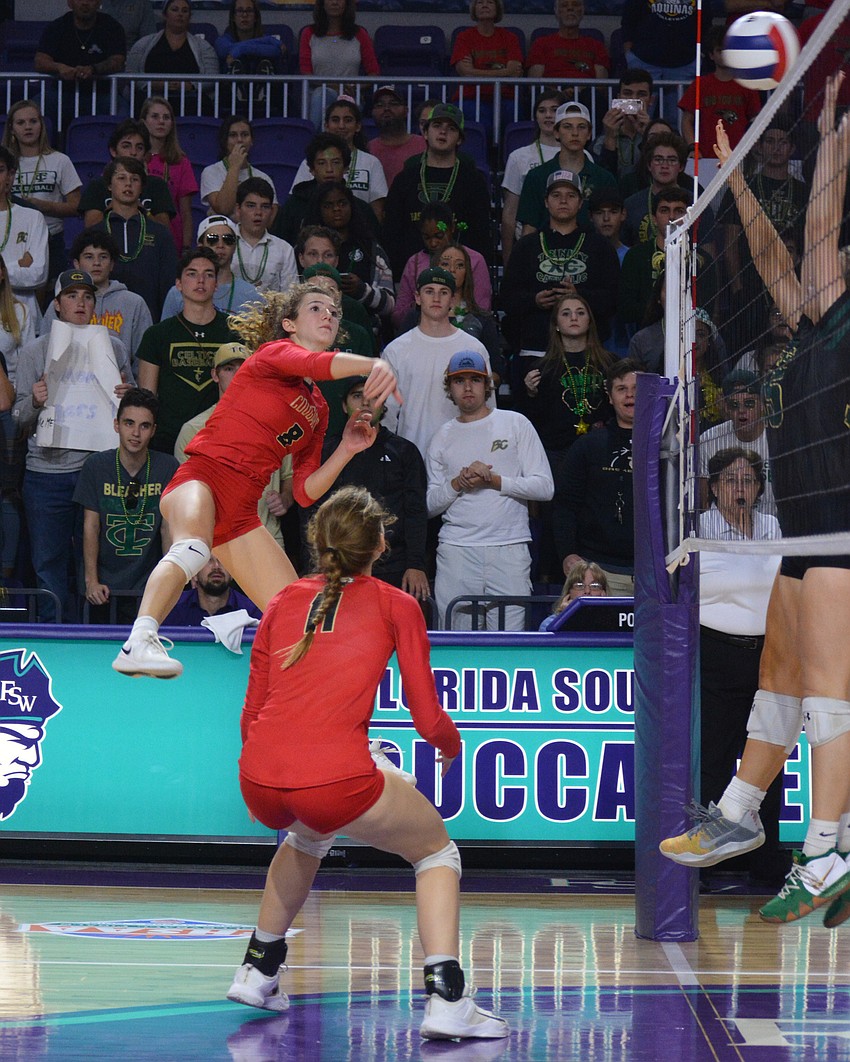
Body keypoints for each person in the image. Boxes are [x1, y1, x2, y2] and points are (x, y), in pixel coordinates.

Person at [660, 87, 850, 925]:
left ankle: (825, 849)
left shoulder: (839, 321)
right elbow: (784, 255)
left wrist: (829, 135)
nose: (804, 275)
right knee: (778, 675)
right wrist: (735, 176)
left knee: (826, 691)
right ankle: (740, 812)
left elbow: (814, 235)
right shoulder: (809, 327)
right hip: (809, 528)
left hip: (846, 527)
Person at [227, 484, 507, 1041]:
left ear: (318, 542)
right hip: (330, 777)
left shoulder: (282, 600)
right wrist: (451, 747)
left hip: (259, 776)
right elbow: (425, 714)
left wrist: (264, 777)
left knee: (307, 836)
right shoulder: (394, 603)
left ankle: (259, 968)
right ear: (380, 543)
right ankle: (448, 998)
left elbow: (252, 708)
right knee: (436, 851)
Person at [113, 278, 400, 678]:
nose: (329, 316)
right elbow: (318, 364)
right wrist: (374, 363)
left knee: (298, 617)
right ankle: (139, 642)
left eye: (334, 313)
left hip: (244, 512)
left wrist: (347, 449)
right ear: (289, 325)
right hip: (203, 478)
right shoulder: (272, 356)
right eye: (316, 308)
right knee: (193, 547)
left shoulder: (317, 406)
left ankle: (326, 725)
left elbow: (303, 492)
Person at [14, 269, 134, 623]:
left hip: (97, 470)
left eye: (87, 296)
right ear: (56, 305)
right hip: (46, 473)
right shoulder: (36, 350)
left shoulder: (114, 347)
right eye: (71, 296)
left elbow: (135, 413)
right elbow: (18, 418)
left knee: (95, 563)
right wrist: (34, 402)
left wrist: (129, 399)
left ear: (95, 304)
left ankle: (93, 634)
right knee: (48, 561)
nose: (80, 303)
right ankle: (54, 636)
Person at [696, 447, 787, 887]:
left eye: (747, 481)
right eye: (730, 480)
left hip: (768, 656)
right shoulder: (698, 530)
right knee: (713, 762)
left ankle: (767, 864)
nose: (739, 488)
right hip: (714, 655)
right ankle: (707, 864)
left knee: (768, 759)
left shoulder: (772, 528)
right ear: (713, 488)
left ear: (758, 488)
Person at [426, 351, 553, 630]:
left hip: (509, 547)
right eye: (459, 381)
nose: (468, 387)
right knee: (457, 645)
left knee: (510, 645)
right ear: (450, 388)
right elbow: (430, 505)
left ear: (487, 385)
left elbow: (545, 487)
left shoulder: (516, 423)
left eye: (475, 380)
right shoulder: (441, 436)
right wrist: (458, 483)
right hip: (456, 550)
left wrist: (495, 481)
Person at [314, 376, 429, 599]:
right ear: (344, 405)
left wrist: (416, 564)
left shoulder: (404, 452)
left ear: (384, 404)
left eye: (374, 396)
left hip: (394, 567)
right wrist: (317, 564)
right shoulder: (326, 452)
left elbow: (415, 512)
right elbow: (312, 512)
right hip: (338, 565)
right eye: (358, 396)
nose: (366, 402)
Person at [174, 341, 293, 552]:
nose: (237, 375)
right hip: (215, 543)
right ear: (214, 375)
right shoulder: (193, 429)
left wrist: (285, 499)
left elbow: (290, 475)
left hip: (266, 537)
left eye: (244, 368)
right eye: (229, 369)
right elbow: (182, 496)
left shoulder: (275, 424)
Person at [74, 387, 178, 624]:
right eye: (129, 423)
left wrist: (169, 582)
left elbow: (167, 529)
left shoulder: (167, 466)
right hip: (104, 586)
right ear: (116, 425)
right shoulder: (96, 465)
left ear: (153, 431)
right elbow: (91, 527)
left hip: (148, 585)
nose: (136, 433)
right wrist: (91, 581)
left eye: (144, 426)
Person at [502, 169, 620, 359]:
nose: (563, 201)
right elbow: (507, 298)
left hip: (587, 351)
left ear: (581, 203)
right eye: (556, 195)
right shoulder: (526, 246)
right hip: (535, 349)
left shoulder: (600, 247)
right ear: (546, 202)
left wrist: (579, 296)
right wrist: (535, 300)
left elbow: (613, 300)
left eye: (570, 195)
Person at [137, 247, 239, 455]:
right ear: (178, 284)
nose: (200, 281)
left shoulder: (236, 332)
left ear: (216, 285)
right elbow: (147, 398)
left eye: (208, 275)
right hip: (166, 442)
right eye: (192, 274)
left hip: (221, 440)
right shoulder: (157, 335)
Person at [382, 267, 492, 460]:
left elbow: (487, 409)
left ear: (452, 299)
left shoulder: (473, 348)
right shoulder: (396, 350)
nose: (436, 298)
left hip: (463, 456)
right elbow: (386, 414)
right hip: (411, 458)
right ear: (417, 297)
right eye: (429, 291)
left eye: (443, 292)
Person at [552, 358, 638, 596]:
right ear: (610, 397)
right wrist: (568, 553)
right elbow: (564, 505)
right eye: (622, 389)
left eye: (637, 389)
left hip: (653, 575)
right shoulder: (588, 445)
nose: (630, 396)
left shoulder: (667, 447)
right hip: (598, 576)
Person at [382, 104, 493, 281]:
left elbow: (480, 234)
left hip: (460, 275)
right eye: (437, 126)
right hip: (412, 272)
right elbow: (392, 231)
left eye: (451, 128)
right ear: (425, 133)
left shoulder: (473, 180)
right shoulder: (405, 178)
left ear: (459, 139)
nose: (443, 132)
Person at [42, 229, 153, 371]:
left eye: (103, 257)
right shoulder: (60, 303)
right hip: (67, 382)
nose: (96, 263)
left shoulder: (134, 303)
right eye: (89, 257)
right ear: (76, 264)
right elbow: (46, 349)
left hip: (120, 384)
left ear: (112, 264)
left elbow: (143, 357)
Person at [2, 100, 82, 286]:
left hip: (51, 240)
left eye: (33, 121)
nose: (28, 127)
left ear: (41, 125)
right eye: (21, 123)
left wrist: (43, 207)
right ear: (12, 129)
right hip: (11, 240)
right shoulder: (4, 165)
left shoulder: (60, 161)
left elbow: (77, 206)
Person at [91, 157, 178, 321]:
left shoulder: (160, 234)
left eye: (135, 179)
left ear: (142, 187)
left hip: (151, 320)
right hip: (103, 322)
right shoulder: (95, 234)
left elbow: (169, 286)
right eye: (121, 178)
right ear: (109, 185)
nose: (128, 184)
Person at [516, 102, 618, 237]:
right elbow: (529, 230)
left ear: (589, 134)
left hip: (591, 253)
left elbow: (611, 230)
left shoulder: (604, 178)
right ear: (556, 133)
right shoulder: (537, 176)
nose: (575, 133)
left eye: (581, 127)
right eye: (567, 127)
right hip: (546, 253)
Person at [303, 181, 395, 329]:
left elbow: (390, 305)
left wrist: (362, 290)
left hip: (365, 330)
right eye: (328, 205)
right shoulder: (304, 249)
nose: (336, 209)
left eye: (342, 203)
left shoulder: (371, 249)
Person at [678, 26, 761, 184]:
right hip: (706, 157)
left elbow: (756, 121)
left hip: (740, 157)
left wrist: (753, 149)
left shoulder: (747, 84)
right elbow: (687, 119)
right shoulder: (700, 84)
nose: (725, 54)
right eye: (720, 50)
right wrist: (692, 148)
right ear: (711, 55)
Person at [392, 203, 491, 332]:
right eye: (426, 237)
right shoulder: (414, 263)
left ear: (452, 228)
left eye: (439, 236)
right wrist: (420, 302)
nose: (433, 243)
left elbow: (481, 309)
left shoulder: (475, 260)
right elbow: (398, 317)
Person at [290, 97, 388, 225]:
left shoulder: (371, 162)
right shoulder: (309, 162)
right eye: (335, 120)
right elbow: (299, 200)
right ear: (326, 126)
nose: (341, 126)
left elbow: (377, 211)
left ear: (358, 126)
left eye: (348, 120)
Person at [34, 0, 126, 126]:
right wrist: (59, 67)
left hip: (101, 94)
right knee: (33, 110)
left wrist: (93, 69)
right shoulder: (57, 26)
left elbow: (118, 61)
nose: (85, 3)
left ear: (99, 3)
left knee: (123, 111)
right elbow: (40, 61)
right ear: (70, 3)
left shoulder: (112, 26)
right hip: (61, 94)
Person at [500, 89, 564, 266]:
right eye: (542, 110)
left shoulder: (583, 156)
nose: (548, 115)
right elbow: (509, 214)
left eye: (554, 110)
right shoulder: (518, 157)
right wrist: (508, 262)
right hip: (530, 245)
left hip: (570, 243)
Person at [698, 370, 774, 516]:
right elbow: (705, 503)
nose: (742, 411)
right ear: (726, 408)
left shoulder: (777, 438)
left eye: (749, 403)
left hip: (772, 528)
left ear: (762, 405)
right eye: (734, 405)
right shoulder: (708, 440)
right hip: (723, 529)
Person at [78, 119, 175, 231]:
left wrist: (140, 209)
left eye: (139, 147)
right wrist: (116, 205)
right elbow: (91, 228)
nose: (133, 152)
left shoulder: (157, 185)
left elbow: (163, 230)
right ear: (113, 151)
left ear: (145, 155)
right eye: (126, 146)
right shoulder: (97, 186)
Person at [299, 0, 381, 130]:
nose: (335, 2)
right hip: (317, 93)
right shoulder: (309, 33)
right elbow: (306, 73)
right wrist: (336, 86)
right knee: (321, 95)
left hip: (351, 95)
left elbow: (374, 73)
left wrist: (354, 88)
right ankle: (315, 142)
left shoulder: (360, 34)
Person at [161, 216, 261, 322]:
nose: (220, 245)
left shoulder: (251, 294)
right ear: (200, 245)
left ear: (235, 246)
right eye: (212, 239)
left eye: (228, 240)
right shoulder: (178, 292)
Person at [126, 0, 219, 105]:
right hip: (151, 101)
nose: (180, 14)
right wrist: (151, 85)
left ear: (189, 16)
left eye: (185, 11)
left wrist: (190, 86)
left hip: (191, 102)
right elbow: (130, 74)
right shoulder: (143, 44)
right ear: (165, 15)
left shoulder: (204, 47)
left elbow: (212, 77)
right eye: (175, 10)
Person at [449, 0, 524, 129]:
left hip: (505, 97)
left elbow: (515, 73)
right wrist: (503, 72)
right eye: (479, 2)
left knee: (514, 112)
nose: (484, 5)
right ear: (473, 9)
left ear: (497, 8)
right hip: (471, 97)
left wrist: (476, 71)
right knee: (480, 119)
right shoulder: (464, 37)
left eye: (489, 2)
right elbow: (465, 72)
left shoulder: (510, 37)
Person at [140, 96, 199, 254]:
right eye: (155, 116)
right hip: (136, 234)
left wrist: (186, 247)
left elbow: (185, 212)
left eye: (166, 117)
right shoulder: (133, 158)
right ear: (144, 121)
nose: (161, 121)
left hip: (171, 239)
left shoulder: (180, 161)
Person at [0, 147, 49, 329]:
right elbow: (28, 272)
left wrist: (3, 272)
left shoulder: (32, 217)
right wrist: (17, 265)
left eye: (0, 170)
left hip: (25, 319)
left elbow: (38, 274)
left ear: (10, 175)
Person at [200, 118, 278, 223]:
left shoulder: (263, 177)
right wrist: (234, 167)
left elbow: (270, 220)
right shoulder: (211, 171)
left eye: (245, 135)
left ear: (251, 141)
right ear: (224, 141)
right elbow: (223, 209)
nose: (239, 140)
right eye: (233, 135)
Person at [233, 179, 298, 294]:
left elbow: (290, 296)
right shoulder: (224, 242)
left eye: (265, 207)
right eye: (251, 206)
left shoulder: (284, 249)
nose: (258, 212)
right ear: (238, 209)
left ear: (272, 211)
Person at [592, 69, 654, 184]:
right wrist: (610, 137)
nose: (633, 99)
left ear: (651, 100)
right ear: (618, 98)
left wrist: (648, 134)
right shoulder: (601, 140)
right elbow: (601, 178)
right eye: (627, 93)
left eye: (641, 94)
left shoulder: (661, 134)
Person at [164, 553, 262, 624]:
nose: (216, 566)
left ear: (233, 573)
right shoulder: (171, 607)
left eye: (223, 560)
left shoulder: (251, 612)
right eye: (208, 560)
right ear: (194, 574)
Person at [525, 0, 609, 80]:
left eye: (576, 5)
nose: (570, 8)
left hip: (586, 93)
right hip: (551, 94)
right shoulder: (540, 44)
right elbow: (535, 85)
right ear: (556, 11)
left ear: (583, 10)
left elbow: (601, 86)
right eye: (564, 5)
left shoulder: (597, 46)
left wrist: (578, 90)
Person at [367, 86, 427, 190]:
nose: (386, 109)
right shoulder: (367, 149)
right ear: (372, 112)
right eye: (380, 105)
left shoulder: (425, 145)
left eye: (393, 104)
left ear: (406, 110)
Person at [215, 0, 287, 78]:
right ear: (233, 17)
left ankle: (260, 87)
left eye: (249, 10)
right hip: (231, 88)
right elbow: (223, 50)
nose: (245, 15)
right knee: (237, 63)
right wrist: (268, 40)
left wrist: (242, 49)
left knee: (264, 62)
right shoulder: (223, 40)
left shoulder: (267, 41)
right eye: (239, 10)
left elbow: (276, 51)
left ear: (256, 17)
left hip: (264, 87)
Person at [539, 559, 608, 630]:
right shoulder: (549, 624)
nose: (587, 591)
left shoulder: (614, 623)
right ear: (569, 592)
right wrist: (567, 617)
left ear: (603, 593)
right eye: (580, 585)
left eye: (594, 586)